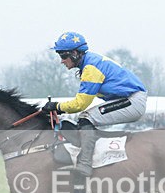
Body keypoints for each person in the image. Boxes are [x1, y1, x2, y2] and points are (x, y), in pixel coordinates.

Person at [41, 31, 147, 178]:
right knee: (85, 118)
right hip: (128, 99)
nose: (62, 61)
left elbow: (80, 104)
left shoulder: (91, 68)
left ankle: (84, 165)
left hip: (133, 101)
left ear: (75, 53)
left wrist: (57, 107)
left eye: (63, 56)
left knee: (86, 117)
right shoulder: (89, 63)